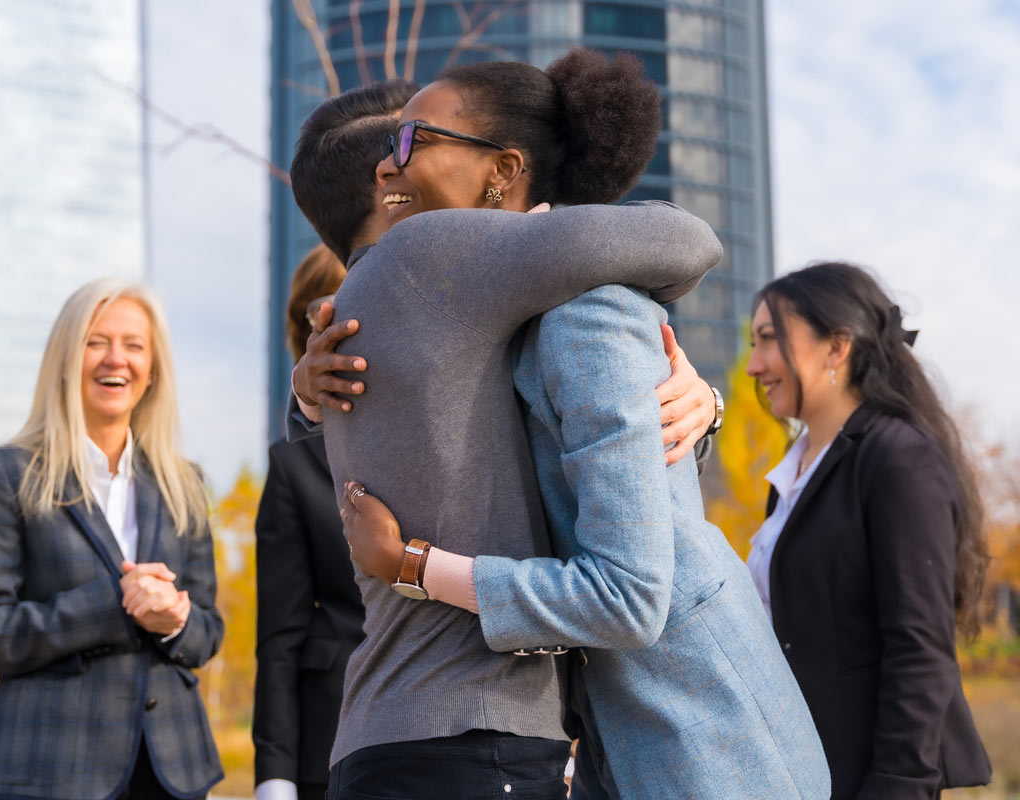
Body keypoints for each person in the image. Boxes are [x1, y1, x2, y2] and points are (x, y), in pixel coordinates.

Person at [331, 52, 830, 800]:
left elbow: (628, 593)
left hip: (704, 734)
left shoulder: (584, 310)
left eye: (411, 140)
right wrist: (310, 392)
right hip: (620, 735)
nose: (388, 165)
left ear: (501, 170)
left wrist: (416, 566)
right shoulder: (508, 312)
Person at [0, 279, 225, 800]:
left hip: (172, 774)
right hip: (46, 771)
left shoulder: (185, 483)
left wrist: (176, 620)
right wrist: (110, 606)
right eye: (95, 342)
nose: (114, 359)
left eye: (134, 345)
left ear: (154, 370)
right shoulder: (2, 475)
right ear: (63, 360)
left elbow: (208, 630)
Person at [743, 262, 992, 798]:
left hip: (865, 778)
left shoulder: (898, 459)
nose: (752, 365)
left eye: (768, 340)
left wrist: (896, 787)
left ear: (837, 347)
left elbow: (919, 647)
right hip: (798, 768)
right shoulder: (795, 469)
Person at [253, 244, 362, 800]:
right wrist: (275, 778)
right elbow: (279, 636)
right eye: (324, 311)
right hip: (329, 740)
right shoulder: (291, 464)